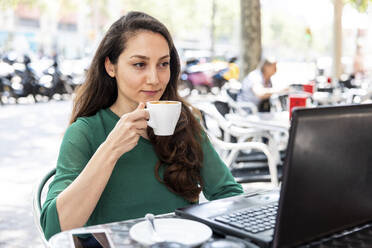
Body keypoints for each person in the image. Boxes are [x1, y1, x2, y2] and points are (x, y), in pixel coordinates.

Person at [40, 11, 243, 241]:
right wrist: (111, 149)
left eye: (163, 64)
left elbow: (228, 193)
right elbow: (55, 231)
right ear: (111, 66)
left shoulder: (185, 122)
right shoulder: (85, 132)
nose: (155, 79)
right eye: (139, 64)